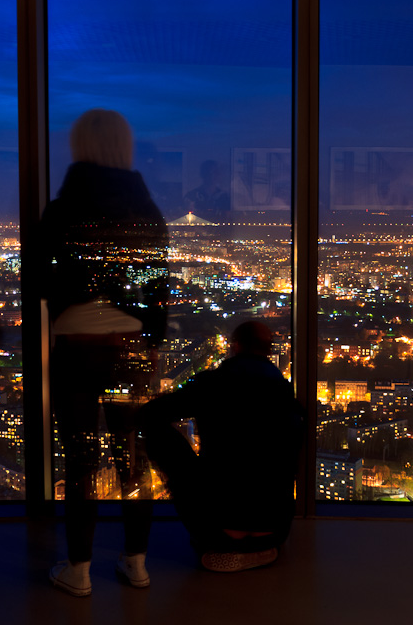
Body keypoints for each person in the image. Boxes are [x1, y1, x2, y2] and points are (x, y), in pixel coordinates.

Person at [41, 109, 169, 597]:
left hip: (77, 347)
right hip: (134, 350)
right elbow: (158, 289)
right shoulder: (148, 213)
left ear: (79, 149)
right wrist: (150, 343)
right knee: (133, 460)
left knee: (80, 461)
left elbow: (38, 279)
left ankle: (79, 569)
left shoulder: (62, 211)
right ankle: (136, 561)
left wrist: (80, 289)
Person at [139, 321, 303, 572]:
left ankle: (226, 545)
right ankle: (260, 549)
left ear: (235, 346)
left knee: (155, 430)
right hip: (276, 529)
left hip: (218, 531)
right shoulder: (286, 395)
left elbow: (152, 413)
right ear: (269, 351)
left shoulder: (214, 384)